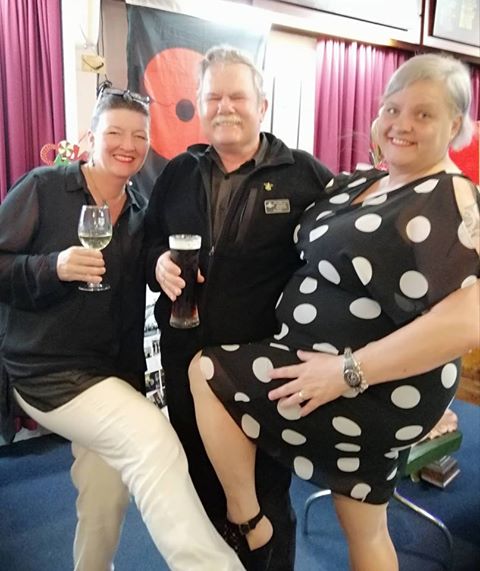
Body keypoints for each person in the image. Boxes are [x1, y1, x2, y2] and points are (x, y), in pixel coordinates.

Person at [188, 53, 480, 571]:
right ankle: (252, 524)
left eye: (423, 114)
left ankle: (248, 523)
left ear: (455, 124)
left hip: (370, 386)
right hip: (347, 376)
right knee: (364, 526)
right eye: (392, 109)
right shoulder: (366, 181)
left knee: (208, 372)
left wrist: (345, 372)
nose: (401, 124)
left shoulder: (449, 195)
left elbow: (466, 321)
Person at [0, 86, 243, 571]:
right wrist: (52, 267)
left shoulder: (138, 212)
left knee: (105, 492)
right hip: (46, 371)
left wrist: (162, 268)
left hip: (108, 374)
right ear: (92, 137)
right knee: (154, 441)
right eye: (115, 132)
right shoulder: (45, 188)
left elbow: (138, 286)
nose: (127, 145)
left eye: (139, 135)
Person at [145, 45, 333, 570]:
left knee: (263, 495)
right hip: (185, 356)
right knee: (198, 486)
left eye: (237, 96)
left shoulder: (304, 175)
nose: (224, 107)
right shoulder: (178, 172)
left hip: (260, 369)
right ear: (200, 105)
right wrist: (156, 263)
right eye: (213, 97)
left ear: (262, 105)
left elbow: (340, 254)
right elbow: (146, 244)